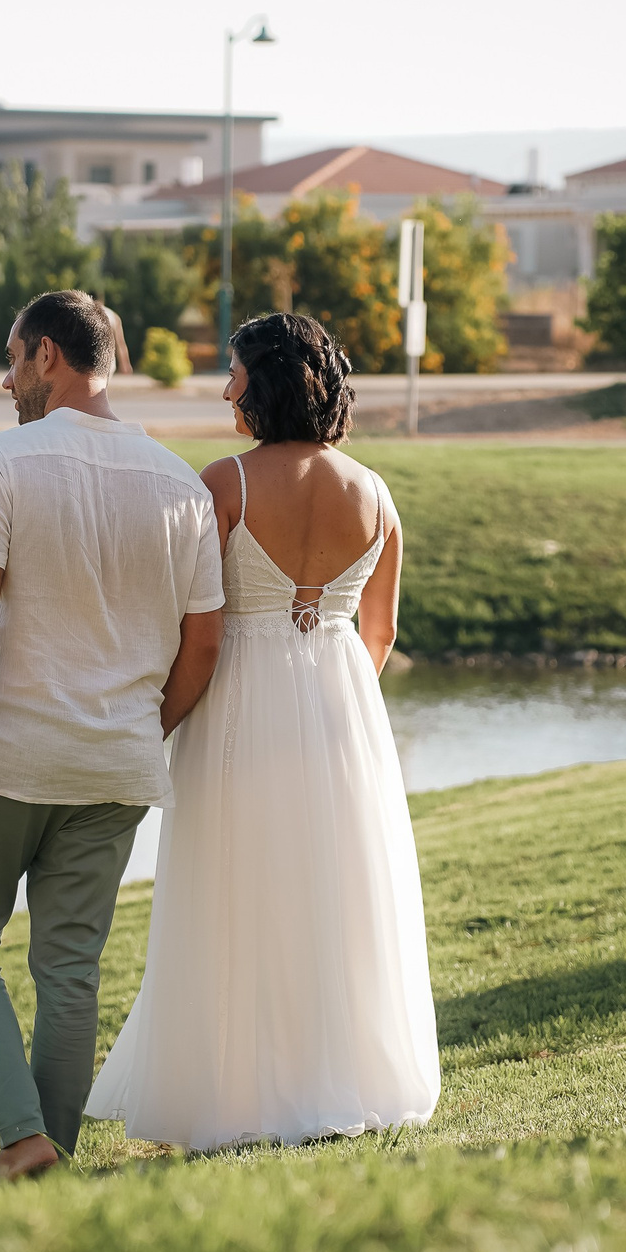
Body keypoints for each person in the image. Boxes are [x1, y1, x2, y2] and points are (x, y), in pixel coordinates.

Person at [88, 311, 439, 1152]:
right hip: (341, 706)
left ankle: (236, 1086)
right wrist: (330, 689)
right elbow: (379, 632)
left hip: (237, 699)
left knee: (234, 885)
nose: (224, 388)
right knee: (334, 889)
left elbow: (189, 622)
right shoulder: (377, 492)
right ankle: (339, 1070)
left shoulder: (224, 484)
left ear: (266, 381)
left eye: (234, 372)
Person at [0, 289, 226, 1183]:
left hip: (7, 756)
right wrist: (142, 726)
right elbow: (202, 644)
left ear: (49, 356)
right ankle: (50, 1152)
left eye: (14, 358)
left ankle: (23, 1136)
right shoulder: (183, 483)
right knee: (69, 968)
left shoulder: (1, 460)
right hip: (118, 766)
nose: (6, 379)